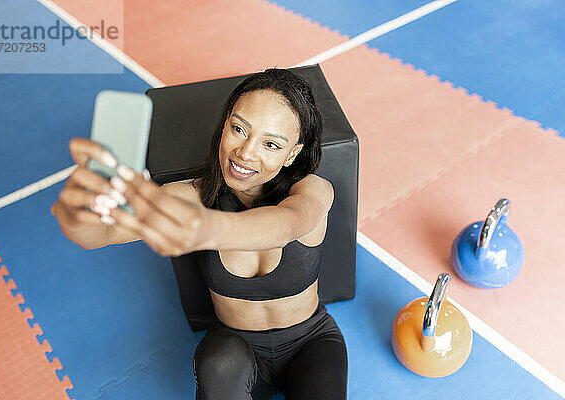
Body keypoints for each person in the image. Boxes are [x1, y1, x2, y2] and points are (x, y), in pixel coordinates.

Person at [51, 68, 348, 399]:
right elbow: (99, 236)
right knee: (219, 363)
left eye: (271, 144)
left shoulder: (313, 191)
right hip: (236, 348)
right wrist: (79, 216)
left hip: (310, 341)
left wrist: (204, 228)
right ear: (224, 126)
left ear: (292, 153)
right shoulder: (189, 196)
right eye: (238, 129)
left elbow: (286, 225)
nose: (246, 153)